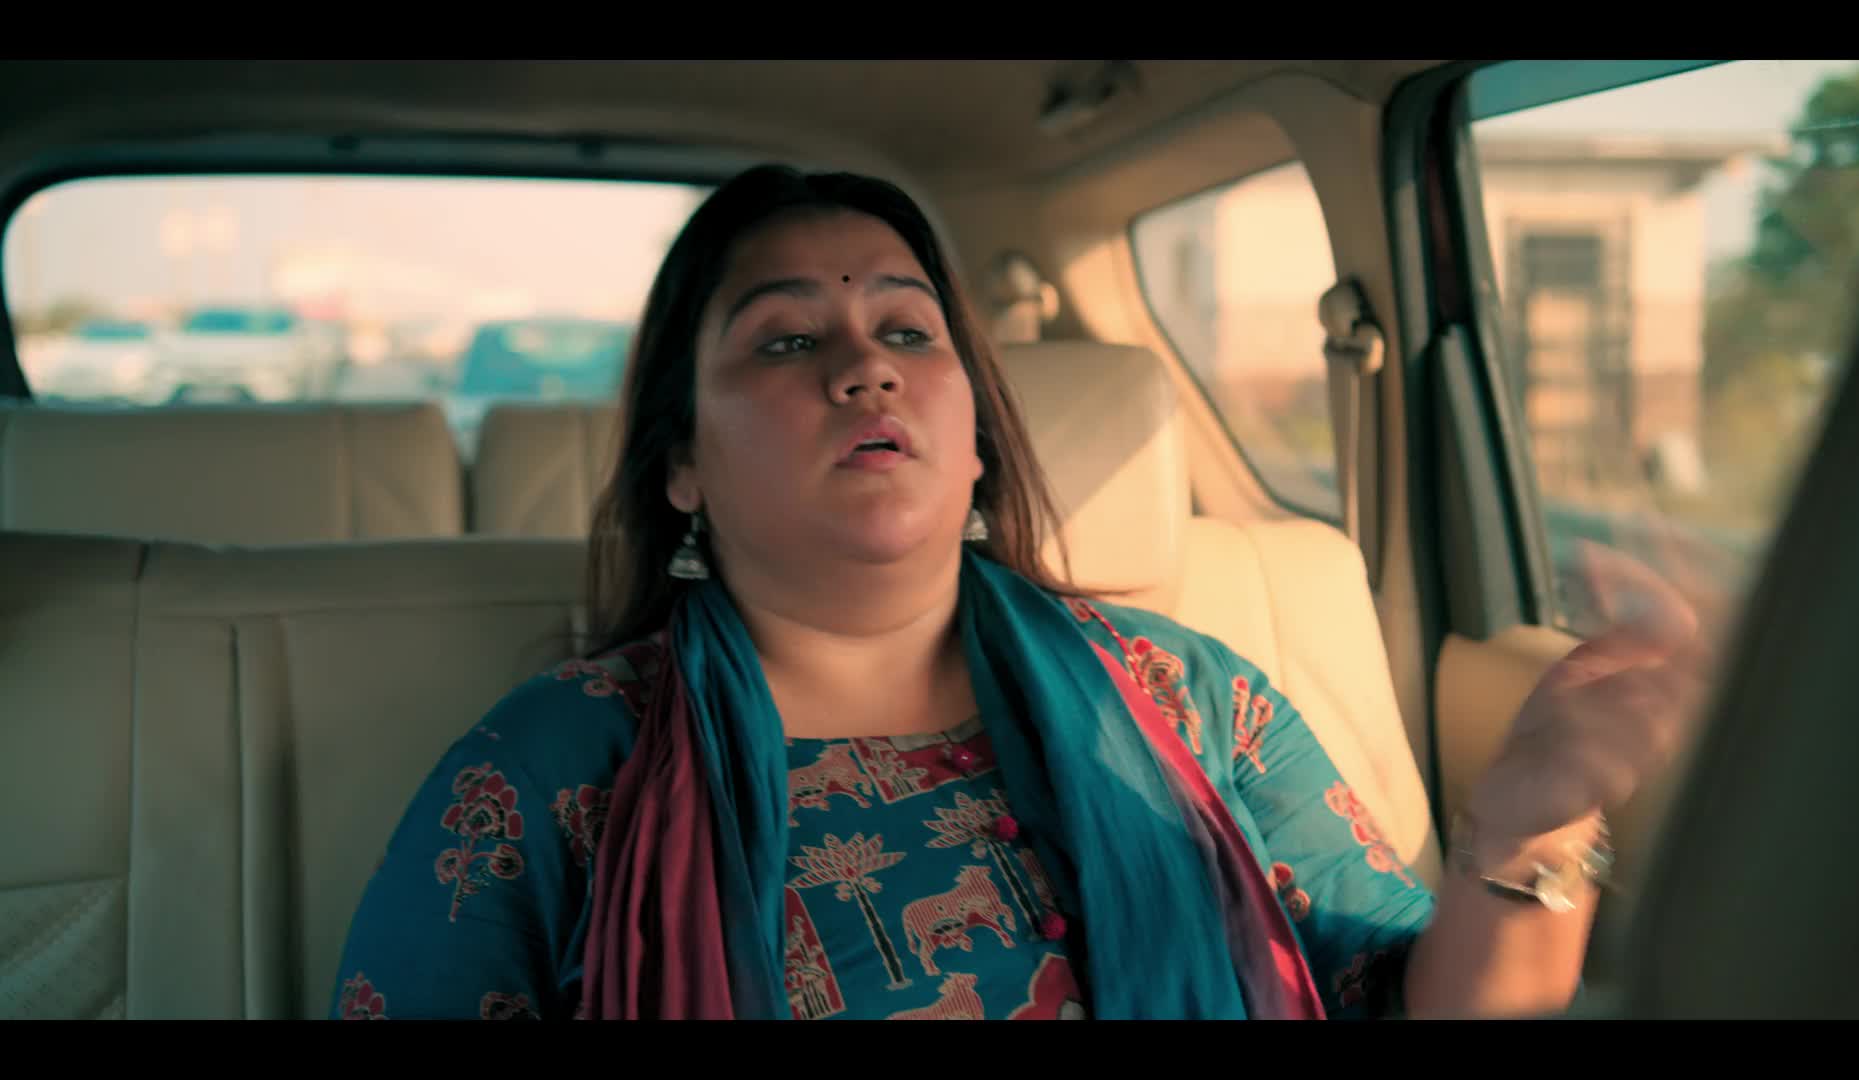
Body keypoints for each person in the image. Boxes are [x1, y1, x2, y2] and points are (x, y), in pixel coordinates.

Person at [329, 165, 1699, 1021]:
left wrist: (1530, 823)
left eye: (906, 330)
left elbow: (1427, 1007)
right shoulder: (554, 769)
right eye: (787, 339)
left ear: (974, 433)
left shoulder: (1188, 699)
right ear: (681, 462)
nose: (866, 367)